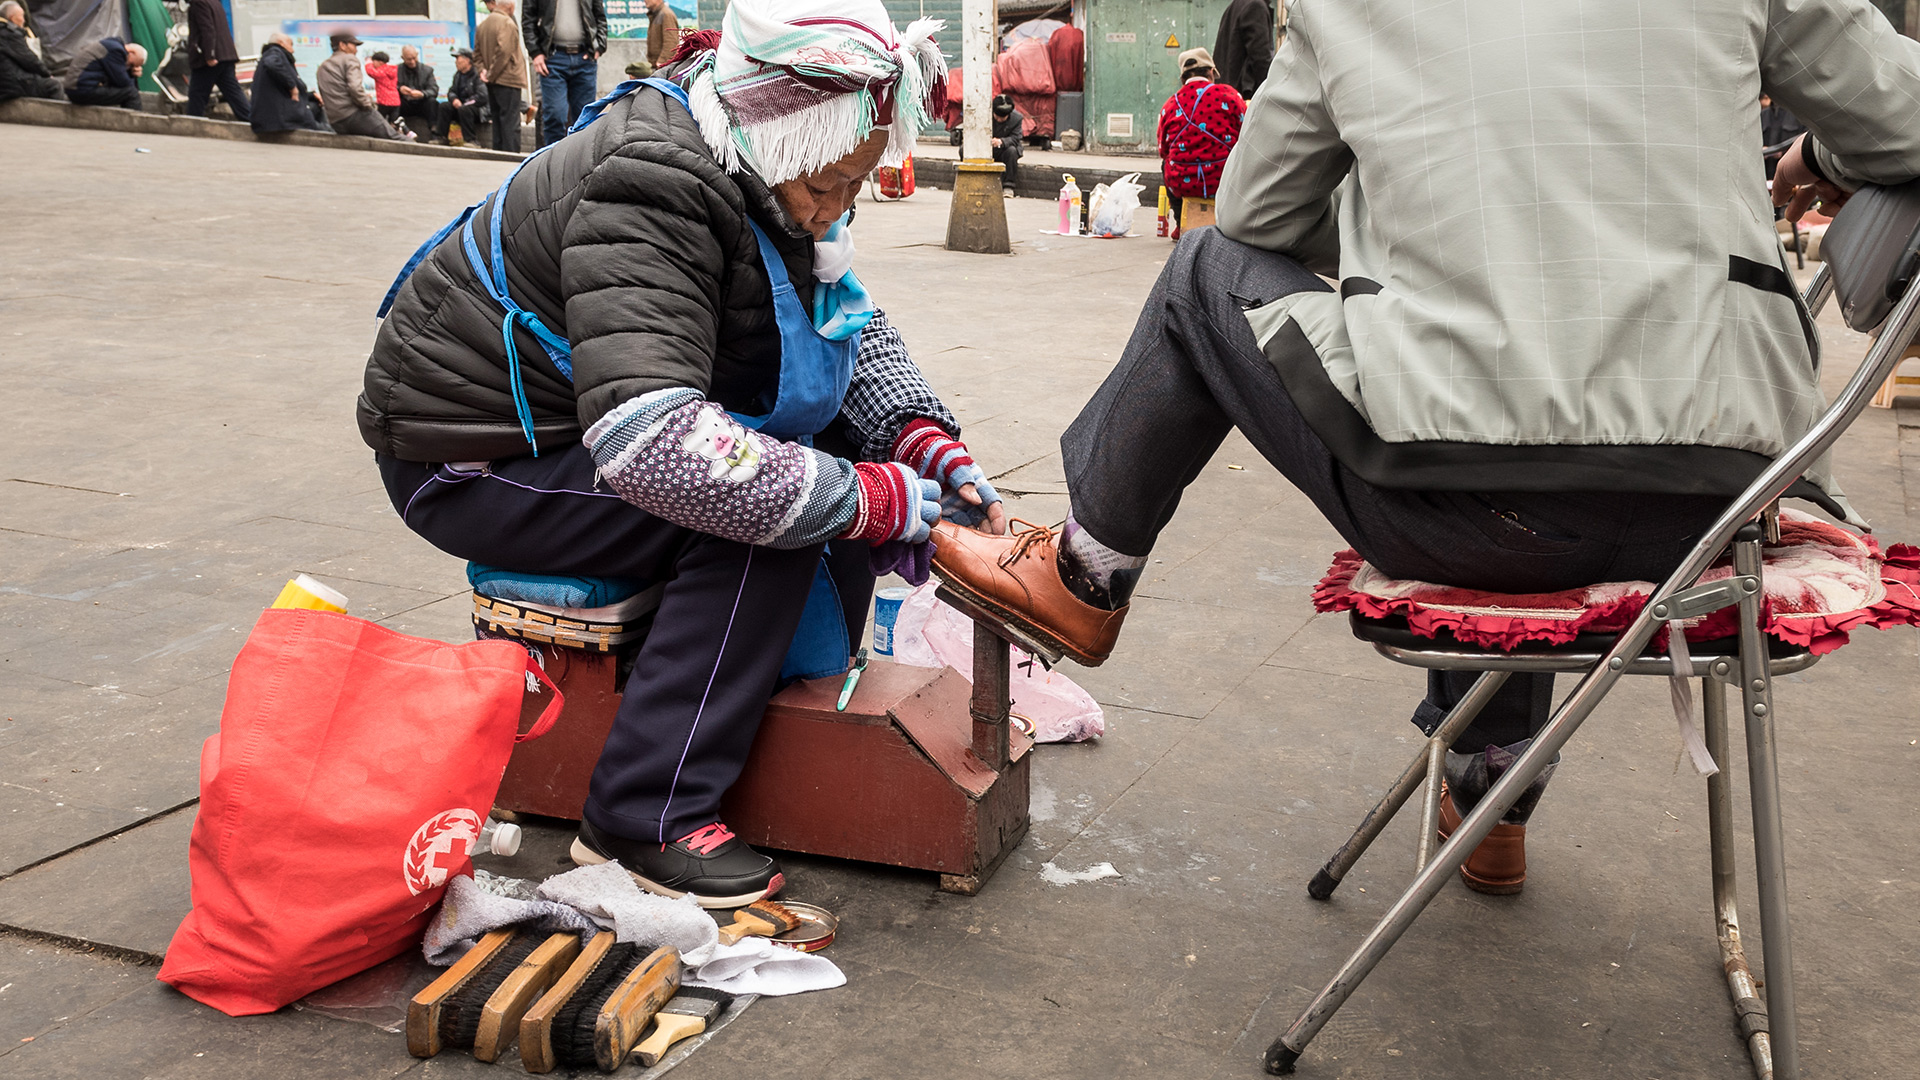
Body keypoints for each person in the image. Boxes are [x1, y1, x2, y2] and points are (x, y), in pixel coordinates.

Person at [927, 0, 1920, 898]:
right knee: (1500, 414)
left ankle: (1087, 573)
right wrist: (1823, 163)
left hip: (1474, 520)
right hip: (1730, 511)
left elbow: (1257, 218)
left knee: (1213, 276)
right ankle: (1490, 794)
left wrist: (1427, 216)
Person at [364, 0, 1004, 907]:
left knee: (826, 471)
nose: (834, 212)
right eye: (828, 188)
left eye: (852, 189)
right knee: (759, 520)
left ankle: (779, 706)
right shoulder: (655, 179)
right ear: (785, 128)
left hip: (585, 423)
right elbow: (651, 441)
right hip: (474, 457)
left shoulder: (759, 156)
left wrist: (914, 437)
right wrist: (865, 498)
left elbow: (834, 320)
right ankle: (641, 816)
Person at [1156, 47, 1245, 202]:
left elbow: (1163, 150)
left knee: (1166, 165)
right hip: (1225, 182)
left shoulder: (1169, 106)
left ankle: (1179, 220)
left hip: (1182, 184)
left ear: (1183, 80)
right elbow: (1247, 135)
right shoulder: (1229, 95)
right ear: (1211, 73)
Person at [524, 0, 605, 147]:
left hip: (585, 58)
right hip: (552, 58)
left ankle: (582, 164)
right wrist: (535, 53)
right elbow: (528, 19)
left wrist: (599, 46)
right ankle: (553, 165)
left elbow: (599, 15)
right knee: (555, 115)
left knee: (585, 118)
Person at [317, 32, 402, 139]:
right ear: (342, 45)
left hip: (336, 120)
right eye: (354, 45)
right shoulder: (349, 59)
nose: (356, 50)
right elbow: (355, 88)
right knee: (396, 137)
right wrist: (368, 105)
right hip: (354, 115)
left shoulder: (323, 67)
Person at [474, 0, 528, 152]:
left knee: (497, 121)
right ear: (510, 8)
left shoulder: (483, 25)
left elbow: (476, 54)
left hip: (491, 82)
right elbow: (504, 52)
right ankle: (510, 157)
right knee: (511, 122)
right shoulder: (507, 23)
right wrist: (492, 74)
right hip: (508, 79)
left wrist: (483, 71)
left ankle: (498, 153)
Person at [185, 0, 250, 122]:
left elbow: (207, 29)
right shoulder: (214, 2)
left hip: (209, 59)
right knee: (234, 93)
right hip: (226, 55)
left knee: (197, 95)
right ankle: (251, 121)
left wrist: (210, 55)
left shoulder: (198, 3)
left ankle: (192, 124)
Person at [250, 32, 327, 133]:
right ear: (281, 43)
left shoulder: (271, 56)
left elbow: (279, 92)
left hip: (276, 115)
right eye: (291, 44)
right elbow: (272, 64)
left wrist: (311, 95)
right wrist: (293, 88)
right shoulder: (274, 53)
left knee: (316, 104)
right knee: (327, 129)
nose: (293, 50)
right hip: (280, 118)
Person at [0, 1, 62, 104]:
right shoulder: (9, 34)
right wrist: (47, 74)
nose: (24, 21)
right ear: (12, 18)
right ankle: (56, 118)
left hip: (6, 82)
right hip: (11, 85)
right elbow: (29, 60)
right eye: (22, 16)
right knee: (54, 85)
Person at [1212, 0, 1274, 100]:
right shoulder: (1255, 6)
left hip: (1229, 93)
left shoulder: (1235, 6)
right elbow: (1261, 58)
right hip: (1245, 95)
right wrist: (1271, 91)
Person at [70, 38, 144, 110]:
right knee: (131, 94)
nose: (129, 67)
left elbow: (115, 82)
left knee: (129, 92)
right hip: (81, 90)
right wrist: (131, 75)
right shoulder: (116, 51)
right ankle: (135, 121)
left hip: (76, 88)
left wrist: (130, 74)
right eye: (132, 64)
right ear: (131, 52)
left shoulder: (110, 46)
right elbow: (123, 83)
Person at [437, 47, 488, 145]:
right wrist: (454, 99)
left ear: (467, 60)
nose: (456, 62)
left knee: (465, 109)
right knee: (444, 106)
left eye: (458, 59)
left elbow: (482, 96)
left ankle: (471, 140)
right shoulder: (458, 75)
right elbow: (451, 91)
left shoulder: (477, 74)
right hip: (461, 108)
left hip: (478, 110)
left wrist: (465, 104)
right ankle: (441, 137)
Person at [395, 46, 441, 141]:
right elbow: (390, 87)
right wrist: (400, 89)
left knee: (432, 102)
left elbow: (434, 89)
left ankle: (434, 132)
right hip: (405, 103)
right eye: (409, 59)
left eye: (414, 58)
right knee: (394, 101)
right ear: (403, 58)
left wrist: (422, 94)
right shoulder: (396, 70)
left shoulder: (427, 70)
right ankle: (398, 129)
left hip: (422, 103)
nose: (412, 62)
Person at [990, 93, 1023, 195]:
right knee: (963, 149)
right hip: (986, 147)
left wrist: (1002, 141)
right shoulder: (984, 115)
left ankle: (1008, 186)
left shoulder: (1016, 119)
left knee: (1012, 151)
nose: (999, 120)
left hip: (1004, 149)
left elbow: (1016, 137)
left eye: (1002, 118)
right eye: (997, 117)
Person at [366, 50, 401, 125]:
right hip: (395, 101)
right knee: (394, 122)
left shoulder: (381, 72)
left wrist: (368, 63)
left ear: (380, 62)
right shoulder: (392, 70)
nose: (373, 64)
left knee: (380, 121)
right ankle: (404, 133)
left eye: (374, 62)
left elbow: (371, 72)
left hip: (384, 101)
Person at [645, 0, 678, 68]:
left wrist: (662, 62)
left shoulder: (666, 14)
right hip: (657, 66)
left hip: (662, 67)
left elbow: (671, 42)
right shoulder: (656, 14)